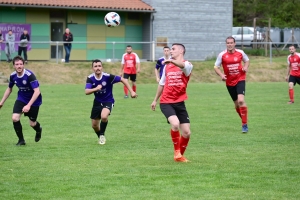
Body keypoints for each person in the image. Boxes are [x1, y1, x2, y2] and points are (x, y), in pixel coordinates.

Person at [151, 43, 193, 163]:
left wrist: (171, 61)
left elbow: (182, 65)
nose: (171, 51)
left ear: (181, 51)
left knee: (186, 132)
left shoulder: (188, 65)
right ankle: (177, 153)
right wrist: (155, 100)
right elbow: (162, 84)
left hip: (180, 102)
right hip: (166, 101)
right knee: (175, 124)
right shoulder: (167, 67)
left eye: (173, 49)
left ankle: (179, 156)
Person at [85, 59, 138, 145]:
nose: (98, 68)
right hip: (97, 102)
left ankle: (102, 135)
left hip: (108, 101)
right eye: (95, 66)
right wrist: (96, 88)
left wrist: (131, 91)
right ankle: (100, 136)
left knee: (104, 116)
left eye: (99, 66)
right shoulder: (90, 78)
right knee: (94, 125)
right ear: (92, 68)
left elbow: (123, 79)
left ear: (102, 67)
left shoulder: (108, 76)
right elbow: (86, 91)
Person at [0, 55, 43, 145]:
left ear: (23, 65)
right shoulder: (13, 76)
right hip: (22, 98)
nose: (19, 66)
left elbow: (37, 91)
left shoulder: (29, 75)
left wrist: (28, 105)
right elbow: (9, 89)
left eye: (21, 64)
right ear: (14, 65)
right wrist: (1, 102)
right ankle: (21, 140)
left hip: (34, 100)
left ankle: (39, 130)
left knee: (32, 123)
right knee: (15, 118)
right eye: (17, 64)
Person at [214, 36, 250, 133]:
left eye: (231, 43)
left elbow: (247, 60)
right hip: (229, 82)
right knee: (237, 104)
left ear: (234, 43)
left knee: (241, 101)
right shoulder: (222, 55)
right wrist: (221, 75)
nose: (230, 44)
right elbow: (216, 67)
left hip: (240, 79)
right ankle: (243, 120)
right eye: (228, 43)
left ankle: (244, 124)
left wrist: (245, 67)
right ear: (226, 44)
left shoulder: (240, 53)